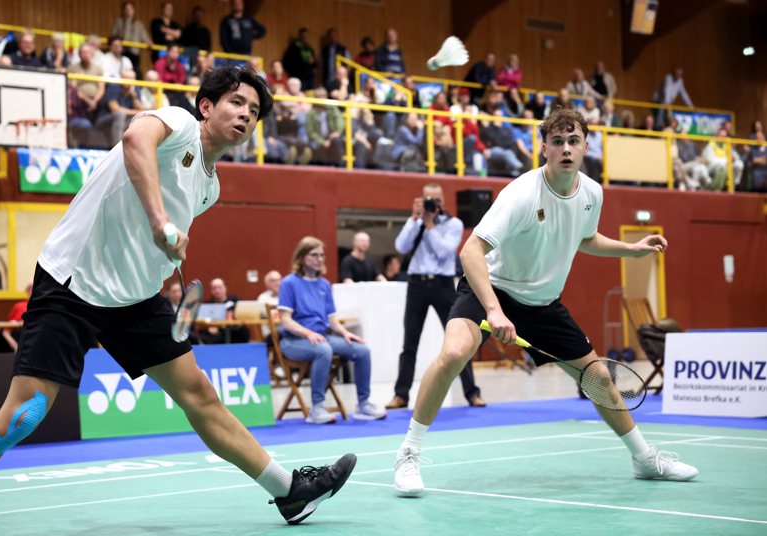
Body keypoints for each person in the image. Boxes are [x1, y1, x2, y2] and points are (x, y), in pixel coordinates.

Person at [0, 65, 356, 535]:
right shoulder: (175, 125)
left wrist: (165, 258)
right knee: (22, 416)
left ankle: (288, 491)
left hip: (134, 298)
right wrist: (160, 222)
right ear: (206, 106)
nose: (245, 115)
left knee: (201, 397)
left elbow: (148, 238)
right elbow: (136, 141)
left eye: (254, 112)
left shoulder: (210, 187)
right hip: (72, 283)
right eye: (237, 102)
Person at [392, 109, 698, 498]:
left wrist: (630, 251)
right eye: (557, 142)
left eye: (573, 141)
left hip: (542, 302)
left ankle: (644, 459)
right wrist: (493, 309)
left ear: (586, 146)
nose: (566, 149)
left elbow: (584, 237)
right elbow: (471, 251)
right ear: (544, 149)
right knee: (454, 352)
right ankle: (409, 454)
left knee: (599, 378)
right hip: (492, 287)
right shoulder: (521, 193)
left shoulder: (592, 193)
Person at [387, 183, 484, 410]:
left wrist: (430, 225)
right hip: (416, 284)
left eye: (437, 200)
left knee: (460, 339)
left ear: (443, 201)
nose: (433, 204)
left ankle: (472, 393)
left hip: (442, 285)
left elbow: (445, 251)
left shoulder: (453, 224)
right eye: (428, 200)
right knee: (409, 341)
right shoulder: (417, 222)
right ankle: (401, 395)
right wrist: (414, 219)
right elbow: (400, 246)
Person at [278, 236, 386, 424]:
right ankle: (317, 408)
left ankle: (363, 404)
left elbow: (332, 321)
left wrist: (346, 333)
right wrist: (308, 333)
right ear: (302, 257)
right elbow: (285, 320)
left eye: (322, 255)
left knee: (362, 350)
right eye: (314, 255)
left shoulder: (325, 285)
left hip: (323, 337)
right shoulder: (289, 283)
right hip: (294, 341)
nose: (320, 259)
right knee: (323, 350)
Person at [1, 283, 32, 352]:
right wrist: (16, 346)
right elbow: (6, 331)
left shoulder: (42, 306)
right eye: (30, 289)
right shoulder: (19, 306)